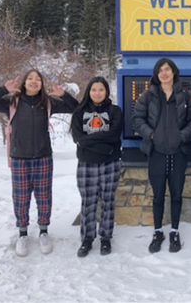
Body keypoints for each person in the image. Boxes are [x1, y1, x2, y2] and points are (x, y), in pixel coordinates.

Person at [0, 69, 78, 257]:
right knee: (21, 198)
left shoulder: (47, 102)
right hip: (19, 158)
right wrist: (2, 90)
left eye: (38, 79)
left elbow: (76, 107)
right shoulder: (12, 102)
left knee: (44, 196)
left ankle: (43, 231)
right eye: (30, 79)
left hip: (43, 157)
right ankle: (22, 234)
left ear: (41, 84)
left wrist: (64, 95)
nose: (34, 81)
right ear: (24, 83)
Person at [132, 58, 191, 253]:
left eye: (167, 69)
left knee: (177, 194)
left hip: (179, 152)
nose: (164, 73)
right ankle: (158, 231)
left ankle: (175, 231)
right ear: (156, 74)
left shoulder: (187, 96)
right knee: (158, 195)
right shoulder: (148, 96)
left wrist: (181, 136)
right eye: (160, 70)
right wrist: (152, 134)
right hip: (156, 152)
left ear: (174, 72)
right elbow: (137, 119)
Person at [71, 77, 123, 258]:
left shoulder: (115, 111)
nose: (97, 93)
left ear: (107, 92)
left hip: (111, 163)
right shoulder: (79, 112)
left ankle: (106, 238)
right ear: (89, 91)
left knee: (108, 201)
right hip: (86, 164)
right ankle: (87, 239)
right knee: (88, 203)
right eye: (94, 89)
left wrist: (89, 141)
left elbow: (115, 135)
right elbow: (77, 138)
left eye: (101, 89)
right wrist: (103, 143)